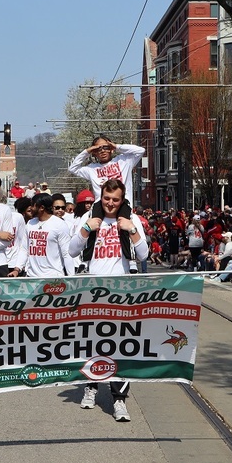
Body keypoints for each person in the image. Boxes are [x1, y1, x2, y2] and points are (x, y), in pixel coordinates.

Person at [68, 179, 148, 422]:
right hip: (92, 291)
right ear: (100, 197)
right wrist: (86, 229)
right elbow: (72, 250)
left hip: (121, 291)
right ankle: (91, 386)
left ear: (122, 200)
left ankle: (119, 400)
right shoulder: (89, 219)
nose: (110, 204)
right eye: (106, 199)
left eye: (115, 200)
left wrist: (132, 230)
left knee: (120, 346)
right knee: (92, 342)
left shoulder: (130, 220)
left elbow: (144, 255)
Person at [25, 193, 72, 278]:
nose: (30, 208)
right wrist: (17, 269)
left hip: (53, 278)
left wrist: (72, 277)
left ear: (42, 208)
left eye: (33, 205)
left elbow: (66, 253)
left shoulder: (59, 225)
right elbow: (24, 249)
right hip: (31, 277)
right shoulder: (30, 223)